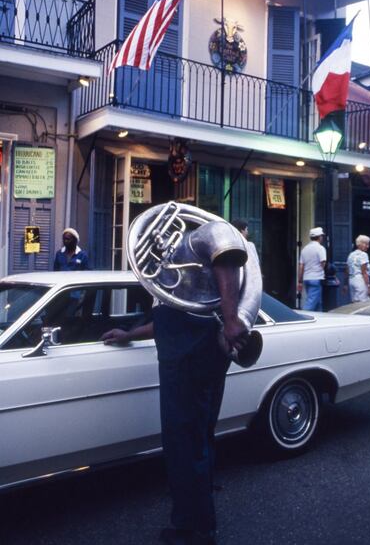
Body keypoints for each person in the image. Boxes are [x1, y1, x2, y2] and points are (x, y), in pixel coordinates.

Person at [101, 231, 249, 545]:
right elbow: (169, 320)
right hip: (188, 351)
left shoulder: (197, 246)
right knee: (196, 439)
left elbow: (225, 251)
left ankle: (193, 530)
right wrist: (128, 335)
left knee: (183, 443)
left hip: (188, 357)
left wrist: (233, 316)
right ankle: (200, 516)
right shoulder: (181, 285)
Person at [297, 227, 327, 311]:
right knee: (311, 302)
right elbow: (323, 263)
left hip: (307, 278)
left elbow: (301, 266)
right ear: (319, 237)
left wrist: (300, 281)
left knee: (317, 302)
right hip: (316, 277)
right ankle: (303, 317)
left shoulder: (304, 249)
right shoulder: (320, 248)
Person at [344, 235, 370, 302]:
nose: (367, 246)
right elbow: (364, 272)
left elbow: (347, 270)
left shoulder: (351, 254)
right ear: (360, 244)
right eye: (366, 244)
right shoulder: (363, 255)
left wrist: (345, 284)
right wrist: (368, 286)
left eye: (368, 244)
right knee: (363, 303)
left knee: (355, 302)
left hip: (351, 280)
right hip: (360, 280)